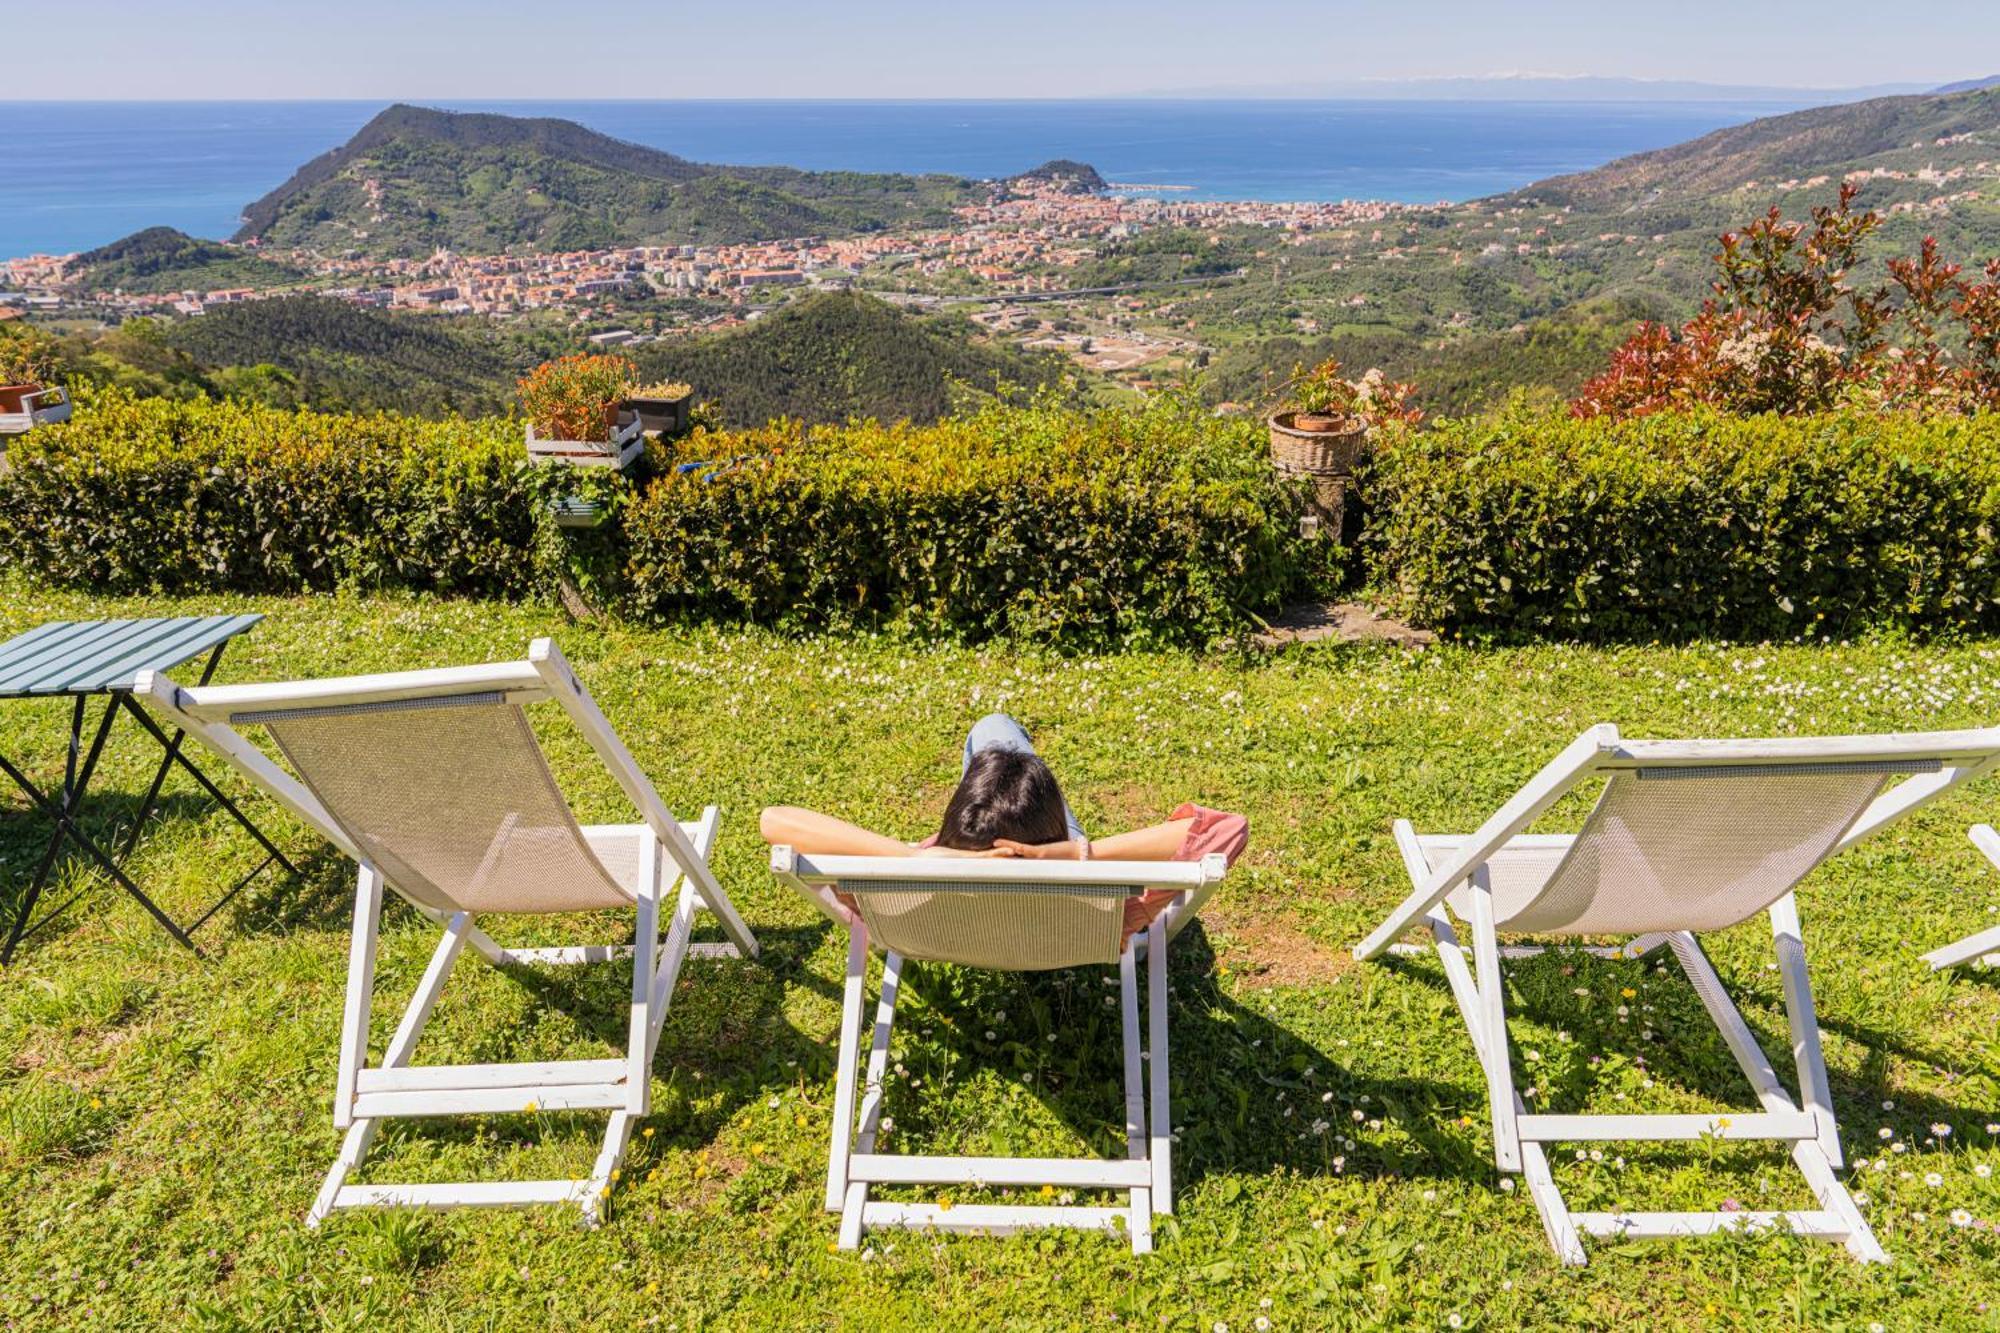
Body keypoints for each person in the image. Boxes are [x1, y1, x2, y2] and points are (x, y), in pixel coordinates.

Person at [760, 714, 1247, 943]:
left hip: (931, 911)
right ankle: (1023, 782)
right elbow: (1227, 829)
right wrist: (1067, 854)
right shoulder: (1117, 903)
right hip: (1069, 906)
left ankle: (994, 765)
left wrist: (918, 859)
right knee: (1000, 739)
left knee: (990, 734)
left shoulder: (893, 889)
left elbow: (775, 821)